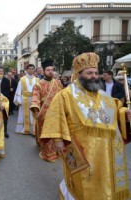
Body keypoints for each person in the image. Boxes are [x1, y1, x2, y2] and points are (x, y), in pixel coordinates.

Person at [41, 52, 131, 200]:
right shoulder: (66, 95)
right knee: (83, 179)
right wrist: (58, 139)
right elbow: (55, 117)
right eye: (89, 73)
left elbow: (115, 111)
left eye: (96, 72)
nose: (94, 76)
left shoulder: (103, 95)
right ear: (78, 74)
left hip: (107, 150)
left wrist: (124, 114)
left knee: (105, 176)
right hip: (82, 147)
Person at [30, 60, 63, 162]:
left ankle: (56, 150)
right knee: (46, 132)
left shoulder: (58, 82)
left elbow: (63, 94)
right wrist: (36, 110)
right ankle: (48, 152)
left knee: (56, 132)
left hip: (56, 112)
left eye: (52, 70)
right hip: (44, 112)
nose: (50, 72)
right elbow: (35, 98)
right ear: (43, 71)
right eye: (48, 70)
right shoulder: (38, 84)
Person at [14, 64, 38, 135]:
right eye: (29, 68)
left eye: (32, 68)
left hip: (34, 99)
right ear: (26, 70)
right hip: (24, 99)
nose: (31, 70)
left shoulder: (37, 79)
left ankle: (33, 130)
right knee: (23, 114)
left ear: (34, 70)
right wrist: (18, 100)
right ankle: (24, 129)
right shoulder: (22, 79)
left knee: (33, 114)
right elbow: (19, 90)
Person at [0, 67, 10, 138]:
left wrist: (2, 95)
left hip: (3, 101)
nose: (1, 73)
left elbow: (8, 90)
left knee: (4, 116)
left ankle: (5, 131)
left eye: (2, 72)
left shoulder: (6, 80)